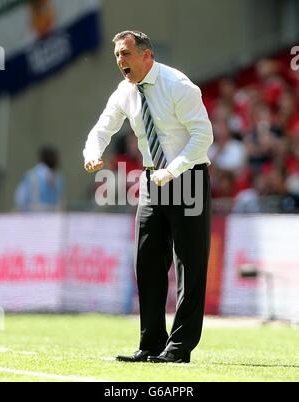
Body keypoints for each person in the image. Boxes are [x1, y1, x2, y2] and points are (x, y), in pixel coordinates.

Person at [83, 31, 213, 363]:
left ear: (147, 56)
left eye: (125, 53)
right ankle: (151, 343)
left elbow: (203, 135)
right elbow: (103, 127)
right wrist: (92, 152)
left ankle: (179, 348)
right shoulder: (125, 91)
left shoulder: (178, 85)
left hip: (188, 178)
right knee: (147, 262)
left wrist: (176, 169)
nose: (120, 61)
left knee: (190, 264)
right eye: (116, 55)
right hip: (153, 180)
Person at [14, 145, 63, 212]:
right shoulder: (32, 176)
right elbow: (20, 200)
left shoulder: (58, 178)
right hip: (34, 218)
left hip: (52, 219)